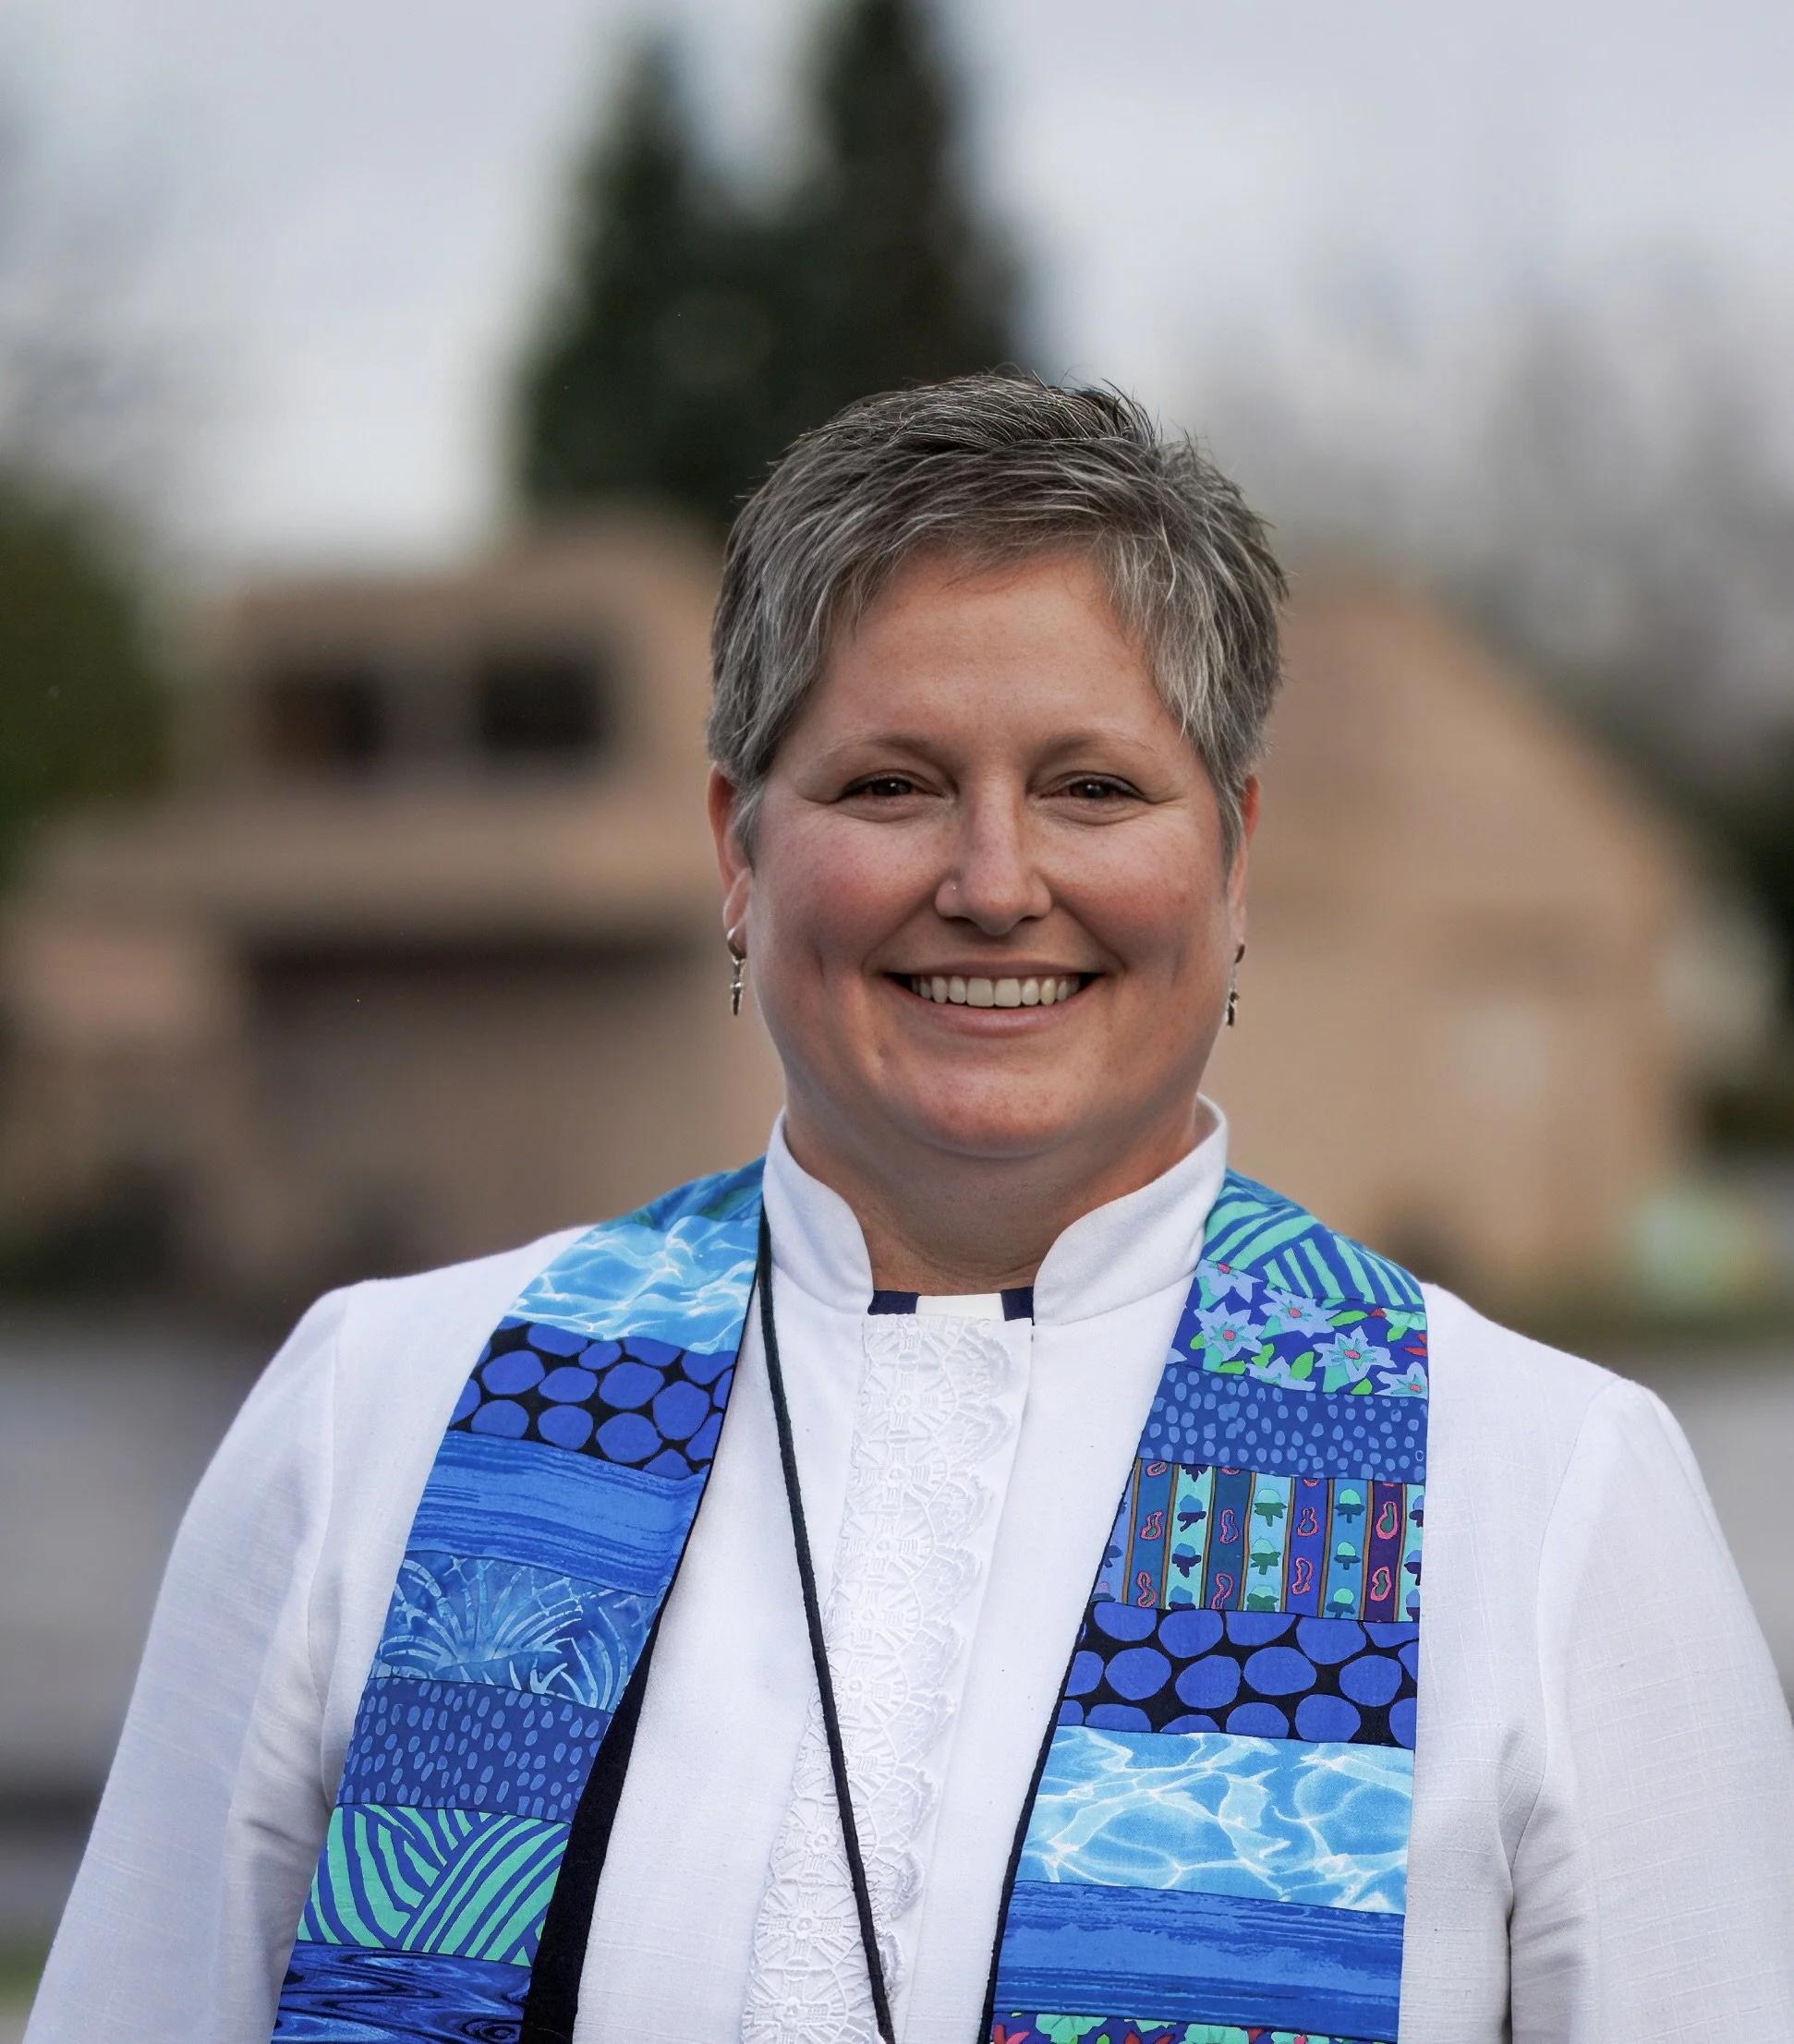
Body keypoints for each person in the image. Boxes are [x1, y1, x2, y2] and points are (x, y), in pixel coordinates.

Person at [27, 378, 1794, 2044]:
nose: (994, 881)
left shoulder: (1540, 1487)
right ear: (736, 851)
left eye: (1094, 787)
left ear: (1234, 861)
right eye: (891, 785)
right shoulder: (381, 1413)